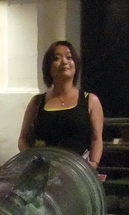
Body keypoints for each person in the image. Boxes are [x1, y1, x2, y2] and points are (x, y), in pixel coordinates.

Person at [18, 40, 104, 172]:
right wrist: (33, 160)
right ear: (48, 67)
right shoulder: (37, 102)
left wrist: (93, 163)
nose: (64, 62)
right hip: (43, 173)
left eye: (69, 58)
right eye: (57, 58)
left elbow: (96, 139)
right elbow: (23, 139)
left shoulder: (90, 100)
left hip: (77, 174)